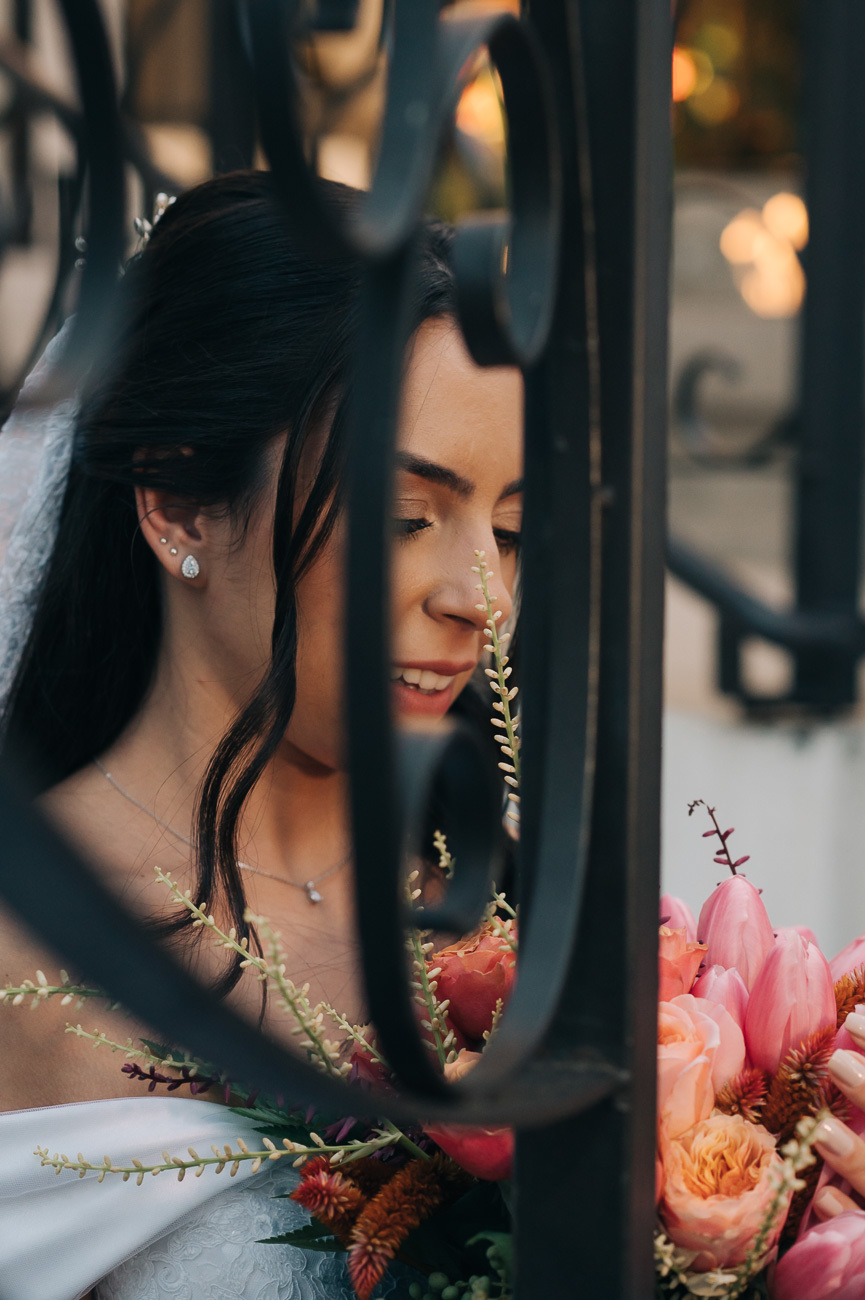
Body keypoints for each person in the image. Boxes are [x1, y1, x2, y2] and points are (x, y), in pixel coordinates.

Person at [0, 172, 523, 1298]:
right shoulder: (24, 948)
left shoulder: (528, 911)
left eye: (513, 530)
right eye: (405, 518)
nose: (481, 599)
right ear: (178, 501)